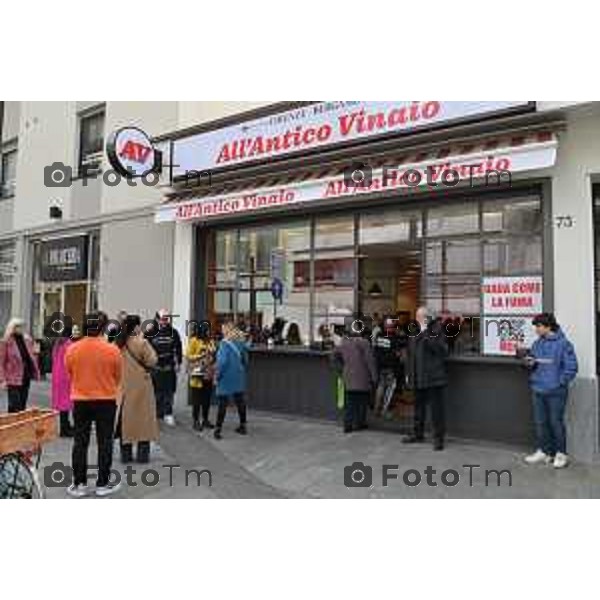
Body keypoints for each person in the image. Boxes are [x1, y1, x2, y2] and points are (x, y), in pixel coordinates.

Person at [65, 311, 123, 497]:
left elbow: (70, 374)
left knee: (80, 442)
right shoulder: (112, 349)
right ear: (104, 327)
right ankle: (102, 484)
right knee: (105, 442)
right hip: (106, 400)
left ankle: (79, 484)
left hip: (81, 400)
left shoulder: (73, 348)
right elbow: (118, 377)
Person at [523, 313, 578, 469]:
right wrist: (530, 363)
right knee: (541, 423)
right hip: (538, 389)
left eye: (539, 326)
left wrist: (558, 383)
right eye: (536, 326)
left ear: (548, 326)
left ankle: (561, 454)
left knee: (556, 423)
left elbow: (572, 368)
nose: (536, 330)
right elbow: (534, 363)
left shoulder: (564, 344)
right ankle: (544, 452)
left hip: (556, 392)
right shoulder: (537, 344)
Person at [404, 307, 449, 451]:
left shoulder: (437, 329)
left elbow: (441, 350)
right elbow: (410, 354)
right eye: (417, 316)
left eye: (421, 316)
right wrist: (409, 374)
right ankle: (418, 434)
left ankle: (438, 439)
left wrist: (425, 333)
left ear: (428, 317)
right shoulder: (414, 331)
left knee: (436, 411)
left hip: (433, 378)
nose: (418, 319)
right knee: (418, 408)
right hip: (418, 377)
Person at [116, 314, 159, 464]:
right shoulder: (142, 343)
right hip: (141, 386)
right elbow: (153, 360)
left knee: (125, 423)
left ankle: (125, 455)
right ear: (136, 327)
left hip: (123, 387)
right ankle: (142, 456)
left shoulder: (119, 343)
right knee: (143, 421)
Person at [334, 322, 377, 434]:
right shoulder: (364, 343)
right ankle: (359, 423)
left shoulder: (343, 343)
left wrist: (341, 369)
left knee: (349, 403)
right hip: (362, 378)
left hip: (348, 378)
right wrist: (374, 377)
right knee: (361, 402)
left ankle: (347, 425)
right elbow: (370, 361)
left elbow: (334, 356)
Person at [213, 321, 249, 440]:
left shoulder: (224, 344)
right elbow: (245, 360)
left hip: (226, 377)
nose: (222, 331)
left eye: (223, 329)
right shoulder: (240, 343)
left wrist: (217, 376)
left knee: (223, 403)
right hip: (238, 375)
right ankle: (243, 426)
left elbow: (222, 363)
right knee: (240, 401)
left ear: (226, 331)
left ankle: (218, 430)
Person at [147, 309, 182, 426]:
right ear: (157, 319)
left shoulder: (174, 332)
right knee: (155, 393)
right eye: (162, 319)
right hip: (155, 368)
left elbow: (178, 348)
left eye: (166, 319)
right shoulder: (150, 332)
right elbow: (145, 349)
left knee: (169, 392)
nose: (165, 321)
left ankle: (168, 414)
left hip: (169, 368)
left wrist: (179, 363)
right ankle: (156, 414)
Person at [0, 318, 40, 413]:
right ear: (12, 328)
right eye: (18, 326)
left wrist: (36, 366)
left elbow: (32, 356)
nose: (21, 328)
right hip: (12, 378)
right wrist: (2, 380)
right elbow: (1, 362)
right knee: (14, 405)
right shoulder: (6, 342)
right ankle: (12, 424)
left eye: (22, 326)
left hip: (25, 376)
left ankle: (19, 425)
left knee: (22, 405)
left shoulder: (27, 340)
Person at [186, 322, 217, 431]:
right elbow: (188, 355)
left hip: (208, 373)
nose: (209, 332)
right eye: (207, 330)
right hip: (197, 373)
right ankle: (196, 421)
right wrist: (201, 355)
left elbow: (214, 354)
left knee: (206, 398)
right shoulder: (194, 340)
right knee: (197, 399)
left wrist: (213, 354)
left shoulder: (210, 341)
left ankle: (205, 419)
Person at [51, 326, 74, 437]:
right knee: (67, 403)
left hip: (57, 376)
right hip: (66, 377)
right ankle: (65, 428)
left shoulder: (58, 343)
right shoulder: (69, 344)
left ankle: (65, 425)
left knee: (62, 404)